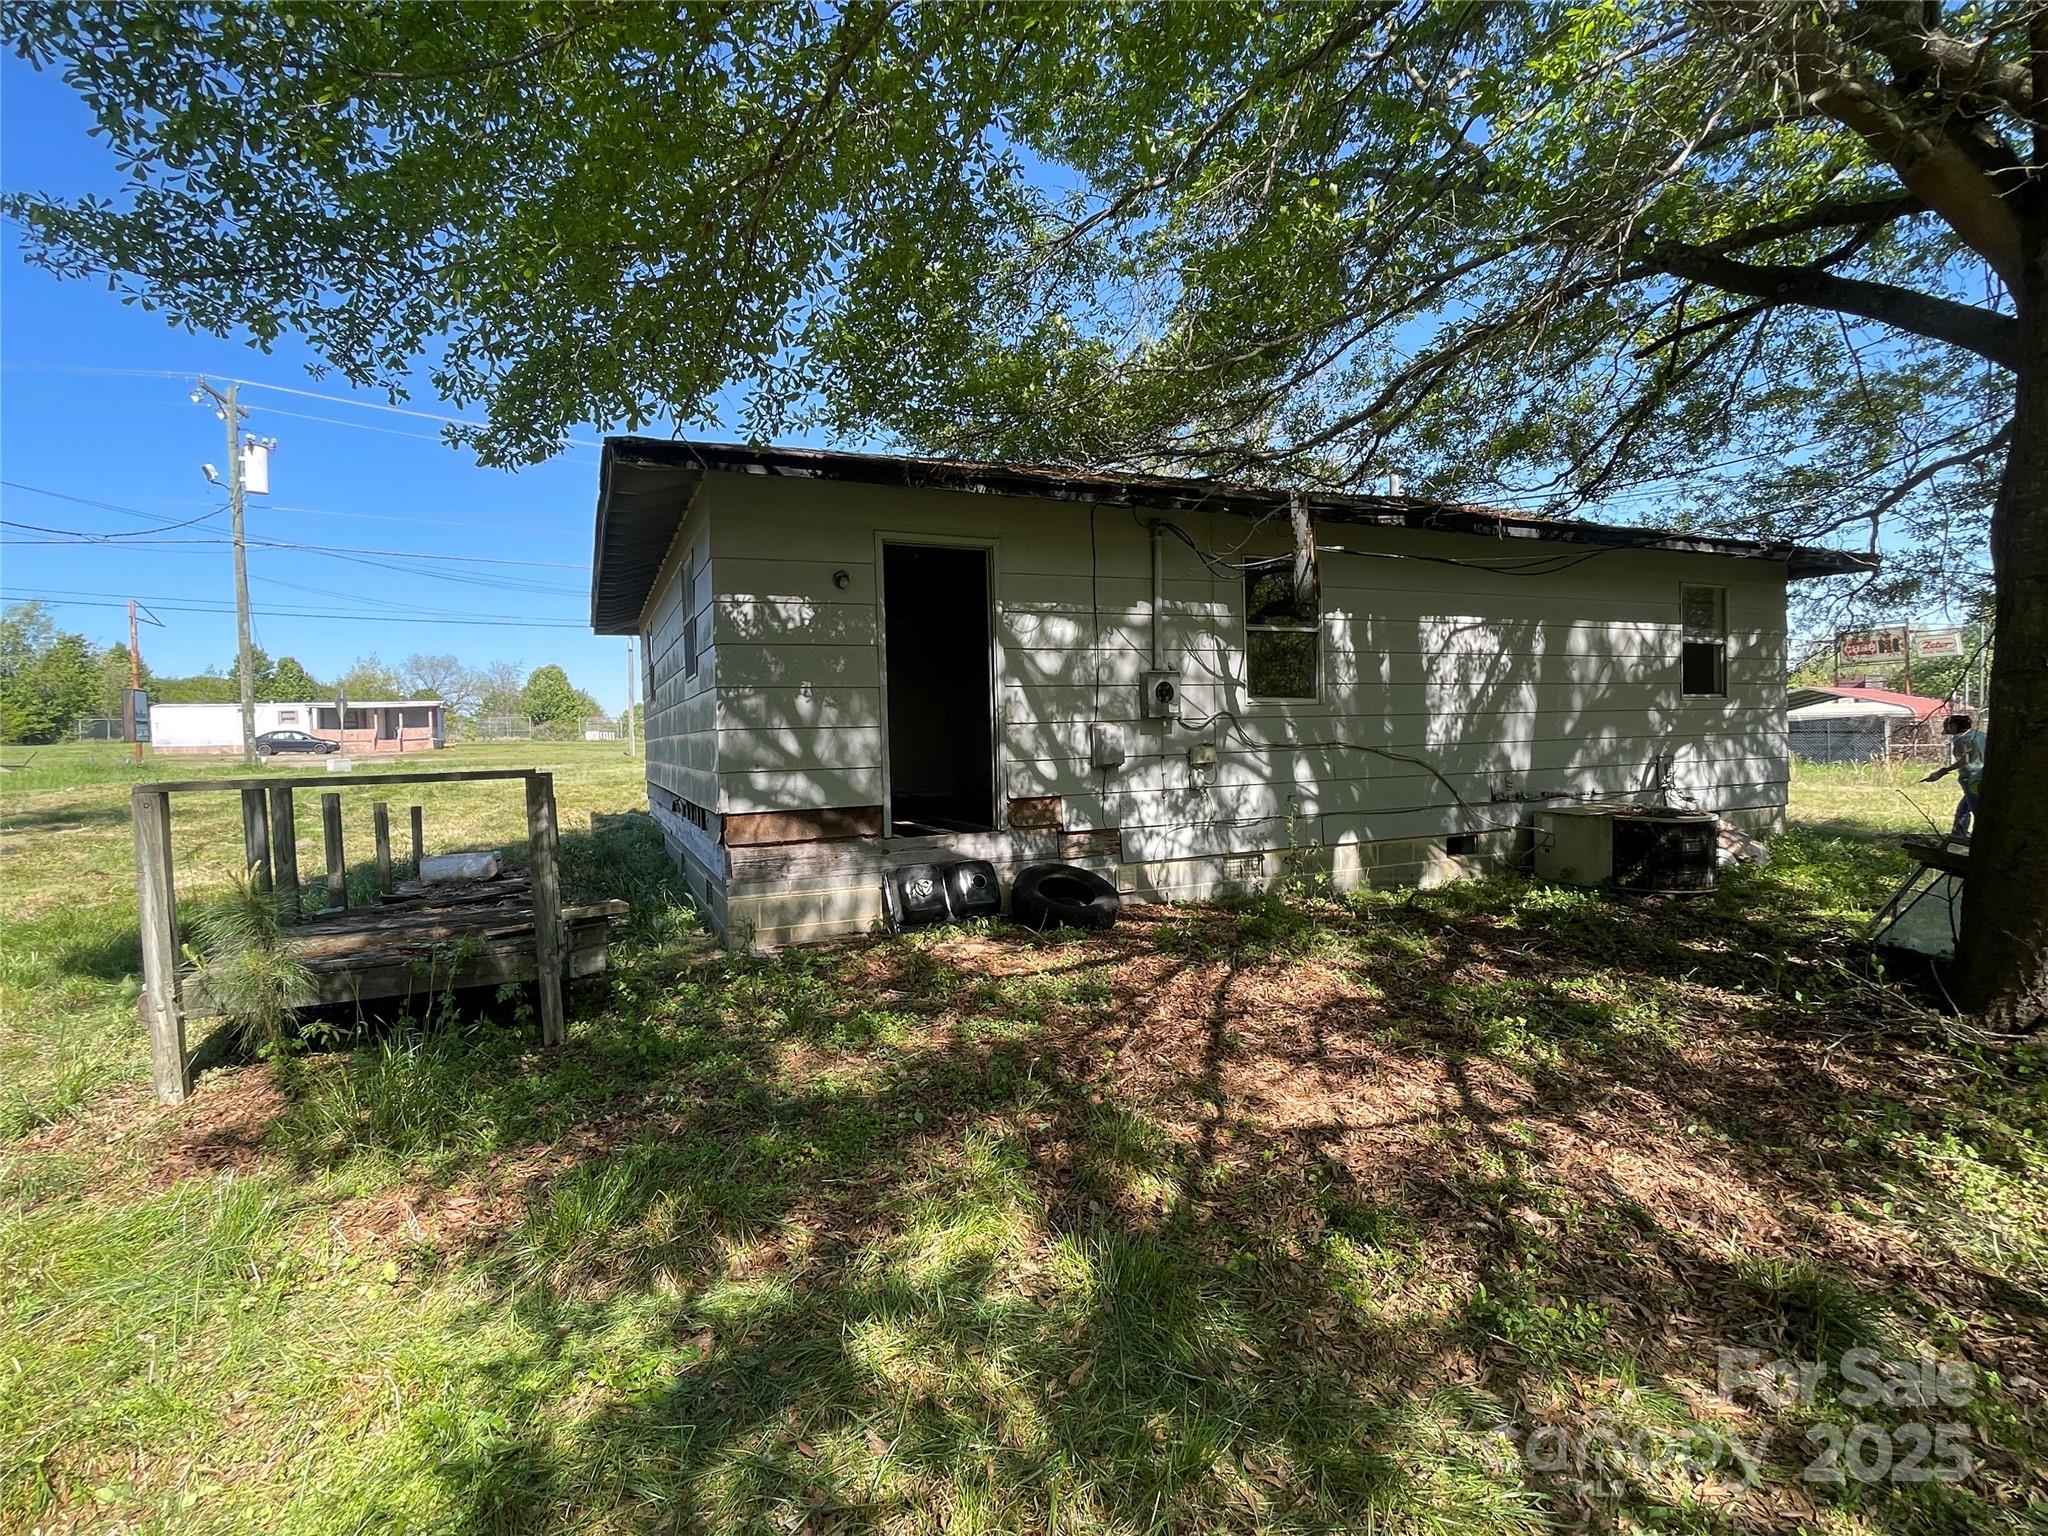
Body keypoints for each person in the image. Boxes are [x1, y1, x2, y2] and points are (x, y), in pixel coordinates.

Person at [1922, 712, 1988, 838]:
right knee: (1965, 807)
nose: (1946, 729)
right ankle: (1958, 832)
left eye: (1947, 726)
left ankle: (1981, 835)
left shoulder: (1960, 739)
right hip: (1983, 774)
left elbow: (1964, 760)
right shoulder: (1980, 735)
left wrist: (1942, 771)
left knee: (1975, 807)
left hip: (1970, 777)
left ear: (1954, 726)